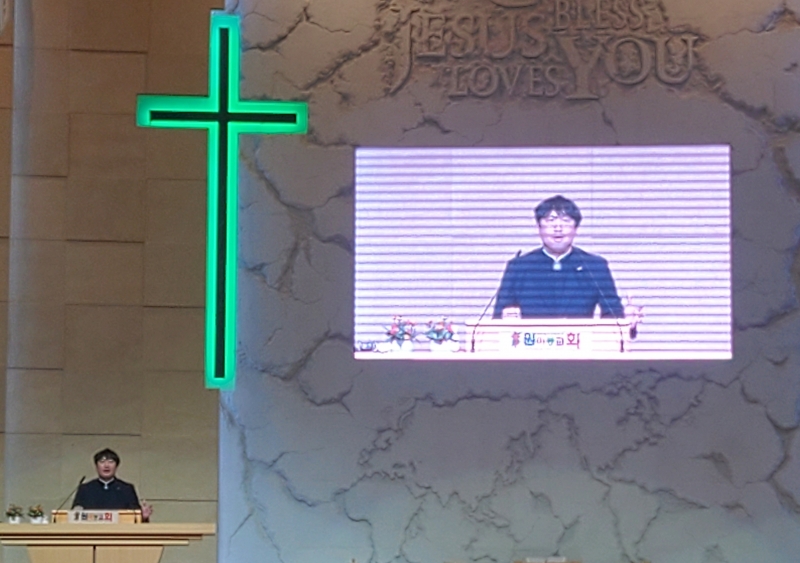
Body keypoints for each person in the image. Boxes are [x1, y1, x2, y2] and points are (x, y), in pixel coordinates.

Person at [493, 195, 642, 330]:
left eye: (565, 221)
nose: (558, 228)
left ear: (576, 228)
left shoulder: (595, 266)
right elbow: (497, 321)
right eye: (550, 221)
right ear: (539, 227)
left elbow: (612, 317)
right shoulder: (519, 267)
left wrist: (626, 322)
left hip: (581, 348)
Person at [72, 448, 153, 521]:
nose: (106, 465)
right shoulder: (85, 489)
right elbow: (74, 516)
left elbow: (135, 518)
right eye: (102, 462)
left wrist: (143, 517)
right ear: (96, 466)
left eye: (111, 462)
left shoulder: (127, 489)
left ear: (116, 466)